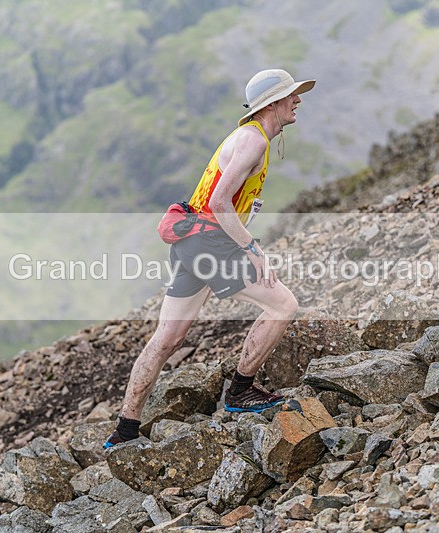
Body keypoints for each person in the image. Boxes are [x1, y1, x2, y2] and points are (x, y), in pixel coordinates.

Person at [104, 69, 315, 448]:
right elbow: (219, 203)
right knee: (283, 305)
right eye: (291, 95)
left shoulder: (246, 137)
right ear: (272, 104)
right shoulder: (254, 142)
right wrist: (252, 249)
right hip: (211, 241)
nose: (297, 100)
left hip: (189, 241)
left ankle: (124, 430)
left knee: (167, 338)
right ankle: (241, 392)